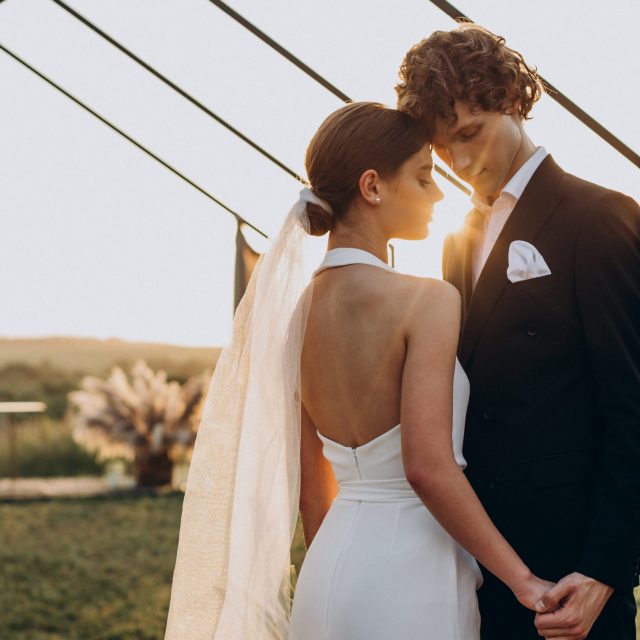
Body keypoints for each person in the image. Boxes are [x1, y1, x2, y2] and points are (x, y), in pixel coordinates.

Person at [164, 101, 554, 640]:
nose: (439, 194)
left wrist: (344, 569)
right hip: (412, 576)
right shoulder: (427, 301)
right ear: (373, 187)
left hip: (328, 574)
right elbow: (427, 468)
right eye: (423, 178)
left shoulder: (296, 313)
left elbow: (314, 493)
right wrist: (523, 581)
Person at [396, 23, 640, 640]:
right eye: (443, 150)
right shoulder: (456, 242)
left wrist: (605, 570)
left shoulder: (601, 218)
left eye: (470, 134)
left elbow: (633, 406)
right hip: (478, 569)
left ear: (511, 98)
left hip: (571, 582)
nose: (460, 162)